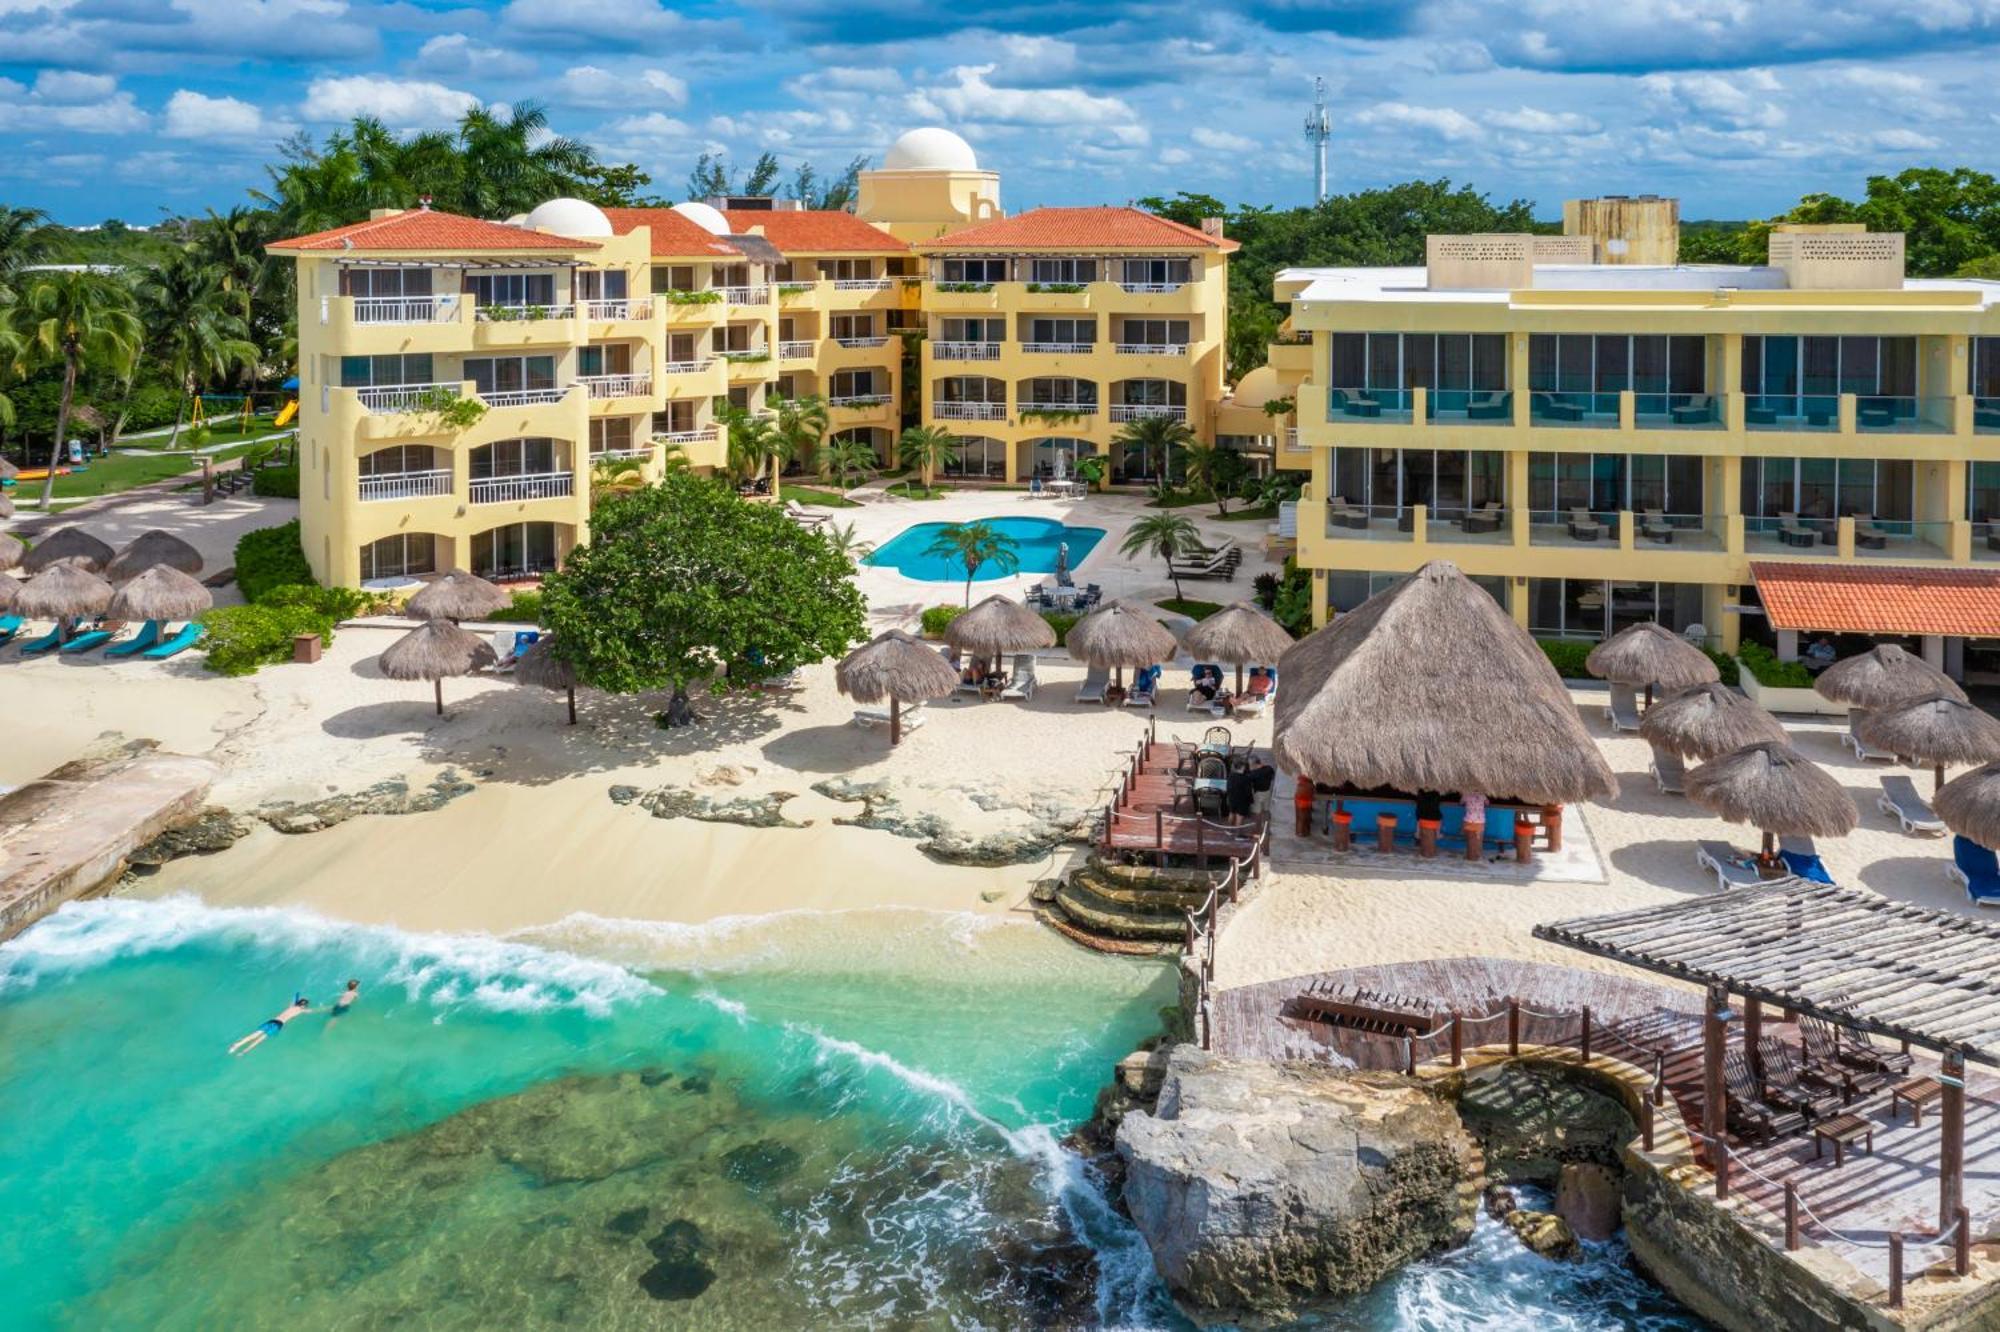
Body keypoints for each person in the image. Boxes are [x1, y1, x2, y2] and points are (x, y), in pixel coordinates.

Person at [229, 994, 310, 1057]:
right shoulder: (301, 1010)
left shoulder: (291, 1006)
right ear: (303, 1006)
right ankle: (243, 1052)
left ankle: (235, 1046)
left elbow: (293, 1000)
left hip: (272, 1021)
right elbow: (309, 1011)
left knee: (253, 1035)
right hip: (278, 1025)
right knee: (259, 1040)